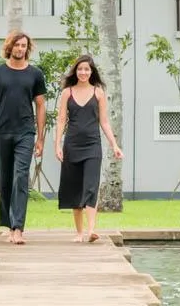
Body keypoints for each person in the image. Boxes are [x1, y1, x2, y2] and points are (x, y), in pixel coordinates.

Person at [0, 30, 45, 244]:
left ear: (28, 48)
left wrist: (40, 138)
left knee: (20, 176)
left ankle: (18, 228)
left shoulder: (35, 74)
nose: (21, 49)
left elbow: (40, 105)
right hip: (3, 132)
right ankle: (8, 225)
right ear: (10, 47)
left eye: (24, 45)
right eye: (17, 45)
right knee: (6, 178)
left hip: (26, 132)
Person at [54, 53, 122, 243]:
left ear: (91, 72)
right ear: (76, 71)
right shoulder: (67, 93)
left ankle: (92, 230)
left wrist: (114, 145)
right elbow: (61, 121)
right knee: (74, 188)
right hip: (72, 145)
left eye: (86, 69)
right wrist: (57, 145)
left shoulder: (98, 93)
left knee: (91, 186)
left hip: (93, 145)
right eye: (80, 69)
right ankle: (79, 233)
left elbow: (105, 122)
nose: (83, 72)